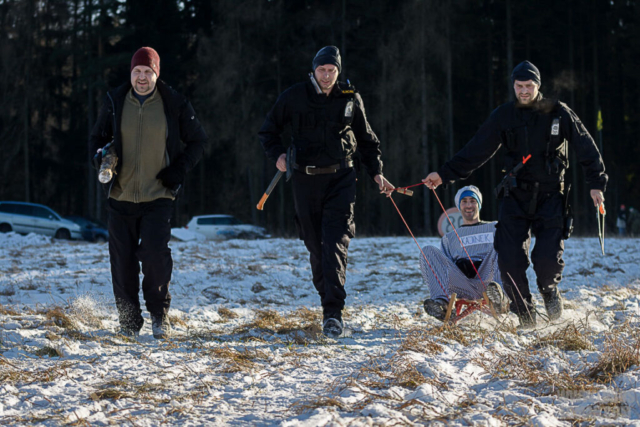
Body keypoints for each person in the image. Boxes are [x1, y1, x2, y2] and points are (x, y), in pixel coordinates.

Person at [423, 60, 607, 328]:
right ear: (513, 86)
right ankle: (526, 315)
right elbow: (476, 150)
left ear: (538, 85)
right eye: (519, 86)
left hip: (550, 198)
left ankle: (549, 291)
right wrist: (443, 174)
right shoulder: (503, 116)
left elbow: (586, 146)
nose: (524, 91)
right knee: (509, 261)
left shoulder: (559, 113)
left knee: (546, 261)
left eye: (529, 86)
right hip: (515, 197)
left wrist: (596, 183)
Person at [258, 46, 395, 338]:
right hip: (305, 181)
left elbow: (367, 141)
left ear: (338, 71)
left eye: (332, 70)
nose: (327, 75)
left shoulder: (350, 98)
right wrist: (278, 155)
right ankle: (327, 300)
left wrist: (376, 172)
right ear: (313, 70)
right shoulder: (294, 96)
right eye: (322, 70)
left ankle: (333, 314)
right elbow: (268, 131)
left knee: (334, 244)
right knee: (315, 246)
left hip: (341, 179)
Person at [89, 47, 207, 338]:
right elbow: (97, 139)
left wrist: (178, 170)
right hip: (120, 195)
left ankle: (159, 316)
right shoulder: (115, 101)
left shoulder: (174, 103)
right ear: (131, 73)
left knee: (155, 256)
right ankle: (129, 323)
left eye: (147, 72)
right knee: (122, 263)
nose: (142, 77)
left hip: (158, 195)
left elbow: (198, 141)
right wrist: (101, 158)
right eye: (137, 72)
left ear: (156, 74)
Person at [421, 186, 509, 321]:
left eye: (473, 201)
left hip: (489, 280)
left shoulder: (494, 227)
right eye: (464, 201)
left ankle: (500, 297)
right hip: (462, 283)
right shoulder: (449, 238)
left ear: (479, 204)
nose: (469, 205)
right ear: (459, 205)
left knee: (501, 242)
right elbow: (444, 267)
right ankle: (441, 304)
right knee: (427, 250)